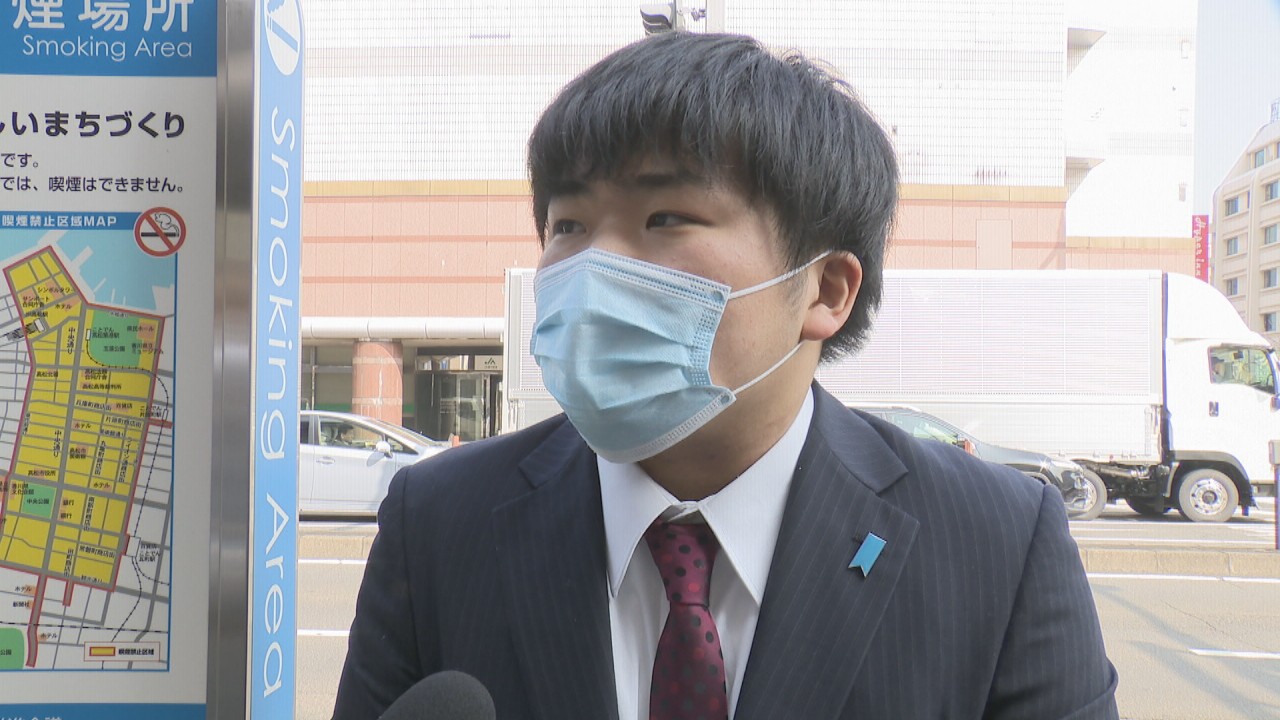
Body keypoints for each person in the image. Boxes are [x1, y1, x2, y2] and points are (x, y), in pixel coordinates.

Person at [334, 32, 1118, 720]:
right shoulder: (438, 524)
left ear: (826, 290)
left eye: (665, 219)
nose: (593, 268)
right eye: (568, 225)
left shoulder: (998, 543)